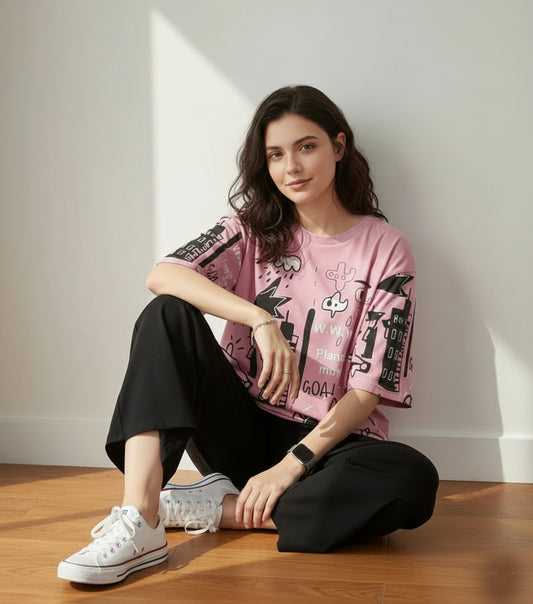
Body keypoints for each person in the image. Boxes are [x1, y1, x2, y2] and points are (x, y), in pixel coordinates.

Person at [58, 85, 439, 585]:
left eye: (306, 147)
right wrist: (260, 319)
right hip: (240, 425)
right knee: (167, 314)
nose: (291, 167)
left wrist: (291, 465)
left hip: (330, 444)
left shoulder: (385, 248)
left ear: (338, 146)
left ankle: (220, 509)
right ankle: (141, 516)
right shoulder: (251, 229)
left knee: (414, 479)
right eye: (275, 155)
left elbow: (367, 390)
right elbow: (163, 274)